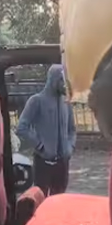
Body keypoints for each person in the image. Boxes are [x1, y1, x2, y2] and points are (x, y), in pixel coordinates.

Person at [16, 64, 76, 196]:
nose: (65, 85)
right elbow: (22, 127)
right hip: (43, 163)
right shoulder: (37, 101)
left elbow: (72, 129)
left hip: (62, 163)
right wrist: (40, 146)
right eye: (62, 81)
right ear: (54, 80)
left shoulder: (66, 103)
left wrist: (70, 147)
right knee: (41, 198)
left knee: (59, 199)